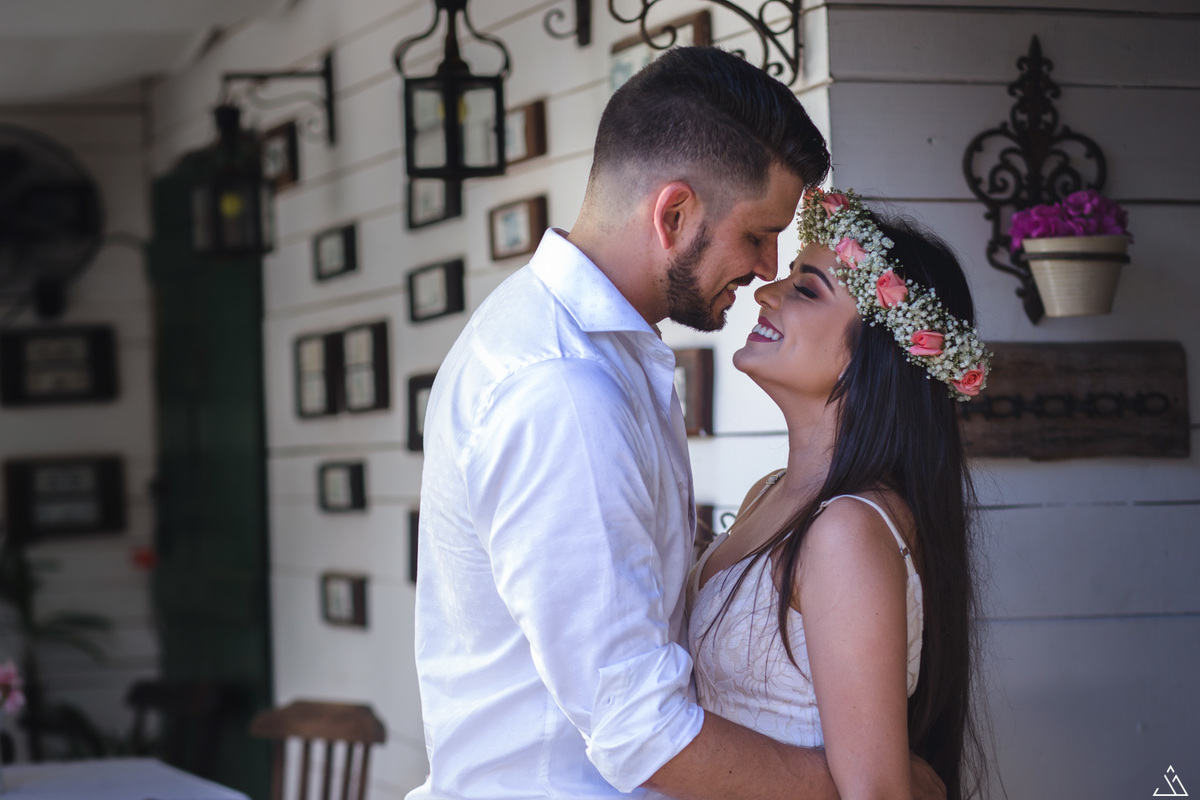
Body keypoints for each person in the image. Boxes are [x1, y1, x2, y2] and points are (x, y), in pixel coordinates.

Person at [408, 47, 943, 800]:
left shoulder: (606, 357)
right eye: (759, 234)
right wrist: (884, 785)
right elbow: (641, 730)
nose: (766, 271)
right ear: (675, 214)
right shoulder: (563, 388)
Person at [689, 188, 990, 800]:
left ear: (873, 357)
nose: (765, 291)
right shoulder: (768, 495)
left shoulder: (848, 531)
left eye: (805, 289)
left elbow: (876, 792)